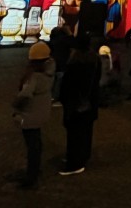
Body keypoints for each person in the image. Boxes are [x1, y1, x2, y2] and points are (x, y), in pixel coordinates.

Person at [11, 41, 55, 189]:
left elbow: (25, 95)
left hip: (30, 114)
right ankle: (34, 169)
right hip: (42, 112)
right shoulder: (49, 72)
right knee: (36, 143)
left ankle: (31, 174)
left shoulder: (34, 77)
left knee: (32, 145)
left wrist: (16, 105)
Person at [58, 32, 102, 175]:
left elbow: (68, 85)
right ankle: (83, 156)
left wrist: (63, 98)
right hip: (89, 102)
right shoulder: (95, 60)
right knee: (86, 131)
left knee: (75, 133)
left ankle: (75, 162)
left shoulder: (76, 63)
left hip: (76, 103)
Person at [49, 24, 74, 107]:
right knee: (59, 81)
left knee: (54, 80)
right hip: (62, 63)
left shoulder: (53, 40)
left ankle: (51, 97)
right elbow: (73, 42)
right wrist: (69, 33)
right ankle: (56, 98)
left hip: (54, 62)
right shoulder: (63, 40)